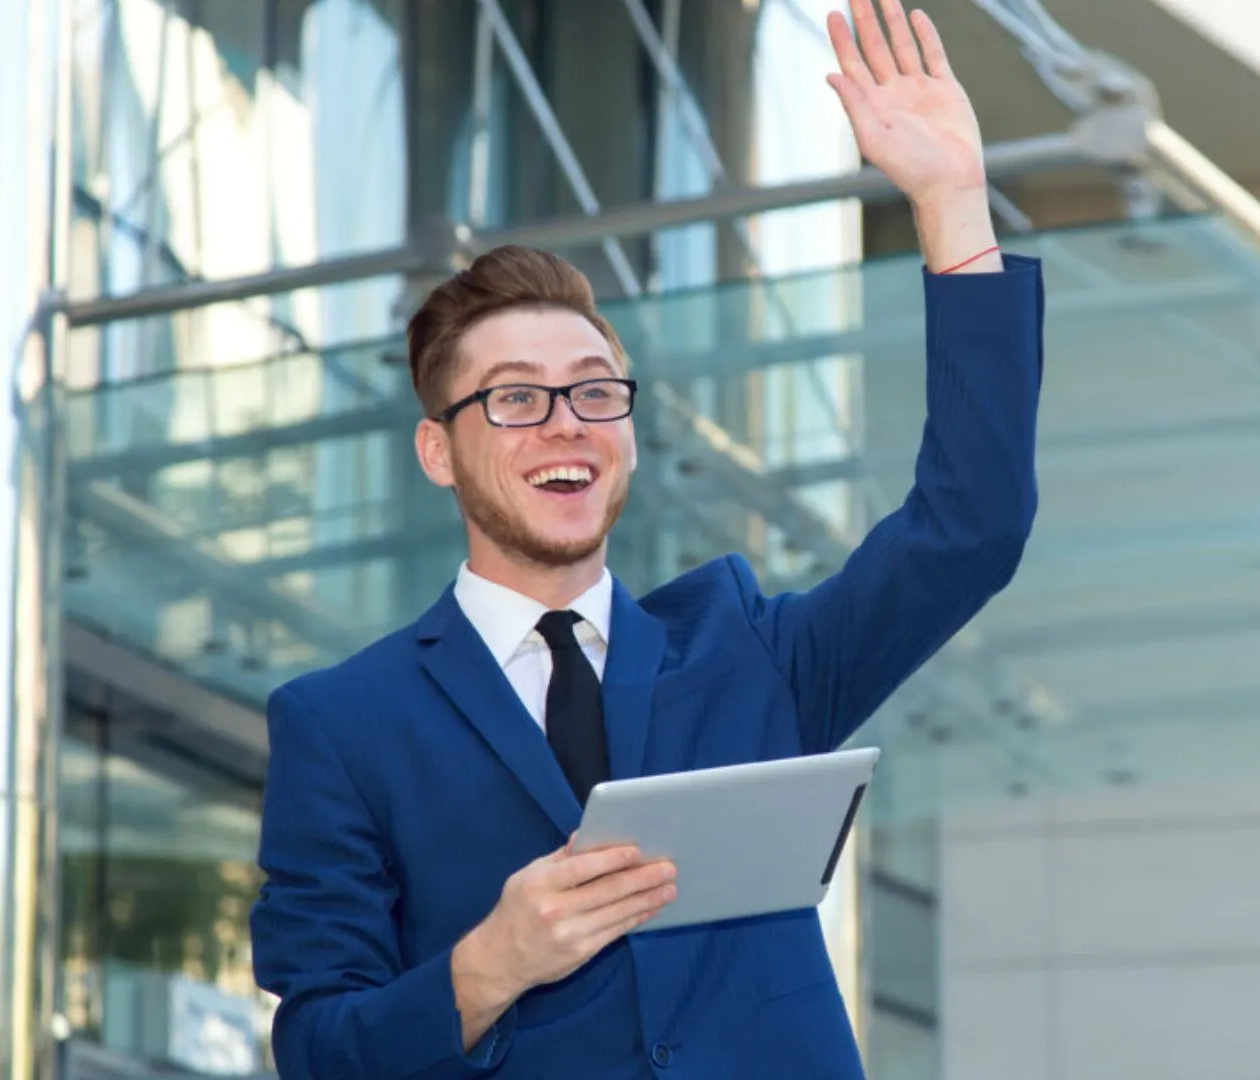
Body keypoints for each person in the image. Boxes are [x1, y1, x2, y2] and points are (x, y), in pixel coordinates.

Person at [249, 0, 1040, 1075]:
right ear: (438, 451)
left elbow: (971, 527)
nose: (565, 422)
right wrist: (490, 964)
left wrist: (951, 204)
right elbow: (319, 1049)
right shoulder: (344, 724)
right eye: (515, 399)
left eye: (594, 391)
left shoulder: (749, 655)